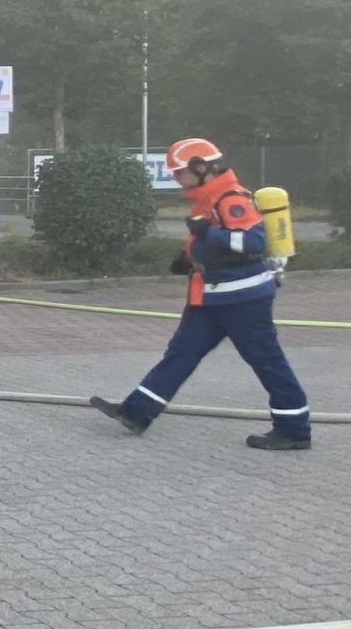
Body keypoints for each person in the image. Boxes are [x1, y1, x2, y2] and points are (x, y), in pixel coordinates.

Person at [89, 137, 313, 451]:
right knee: (181, 353)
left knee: (266, 360)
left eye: (179, 171)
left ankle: (294, 429)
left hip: (242, 299)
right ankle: (136, 412)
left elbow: (252, 242)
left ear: (201, 168)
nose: (176, 177)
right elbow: (213, 242)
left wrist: (209, 234)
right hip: (211, 296)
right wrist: (189, 258)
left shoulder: (231, 198)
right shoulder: (209, 198)